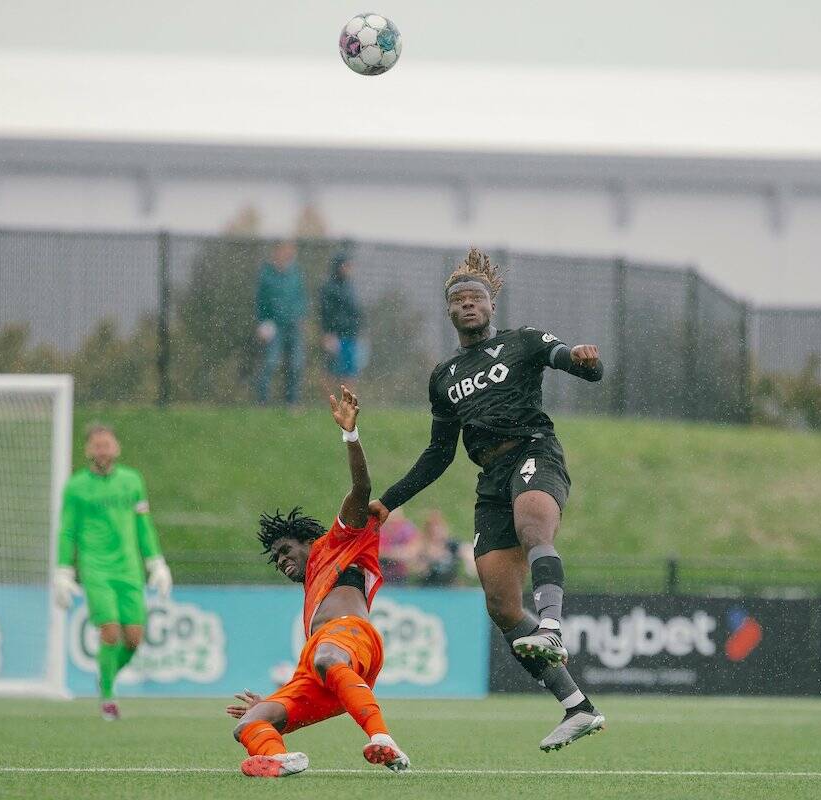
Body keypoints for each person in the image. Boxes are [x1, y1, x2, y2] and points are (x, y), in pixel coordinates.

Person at [368, 247, 606, 752]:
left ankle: (552, 626)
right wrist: (388, 502)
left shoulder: (523, 342)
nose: (469, 305)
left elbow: (570, 360)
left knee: (534, 528)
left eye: (477, 297)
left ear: (492, 305)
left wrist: (585, 361)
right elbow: (438, 454)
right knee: (499, 603)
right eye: (460, 300)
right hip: (490, 478)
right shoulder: (444, 377)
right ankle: (577, 707)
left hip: (534, 451)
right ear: (450, 311)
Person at [226, 386, 409, 778]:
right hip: (320, 666)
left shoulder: (337, 542)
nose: (282, 561)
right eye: (276, 559)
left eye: (286, 550)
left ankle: (383, 739)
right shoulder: (312, 590)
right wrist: (272, 700)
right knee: (251, 721)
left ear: (308, 541)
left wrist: (351, 435)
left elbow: (362, 490)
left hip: (350, 640)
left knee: (326, 655)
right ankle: (277, 759)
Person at [53, 424, 173, 720]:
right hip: (96, 568)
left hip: (129, 568)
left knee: (133, 638)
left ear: (116, 448)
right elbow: (67, 531)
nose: (102, 450)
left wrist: (155, 562)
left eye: (107, 445)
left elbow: (144, 525)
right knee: (109, 631)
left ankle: (105, 677)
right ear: (87, 450)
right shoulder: (76, 486)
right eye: (97, 445)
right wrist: (63, 570)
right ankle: (108, 696)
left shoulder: (132, 482)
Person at [254, 241, 307, 408]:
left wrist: (301, 317)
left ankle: (292, 402)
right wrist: (262, 323)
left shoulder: (296, 274)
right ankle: (262, 401)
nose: (288, 254)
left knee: (296, 365)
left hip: (293, 326)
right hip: (274, 326)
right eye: (285, 250)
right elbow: (260, 301)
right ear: (277, 251)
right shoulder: (266, 274)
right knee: (271, 363)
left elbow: (301, 298)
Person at [319, 251, 365, 391]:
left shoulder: (350, 287)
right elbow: (325, 313)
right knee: (331, 371)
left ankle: (347, 405)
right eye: (346, 265)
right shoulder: (328, 287)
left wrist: (360, 330)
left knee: (350, 372)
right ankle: (331, 404)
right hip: (335, 336)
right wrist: (328, 334)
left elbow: (356, 311)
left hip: (351, 335)